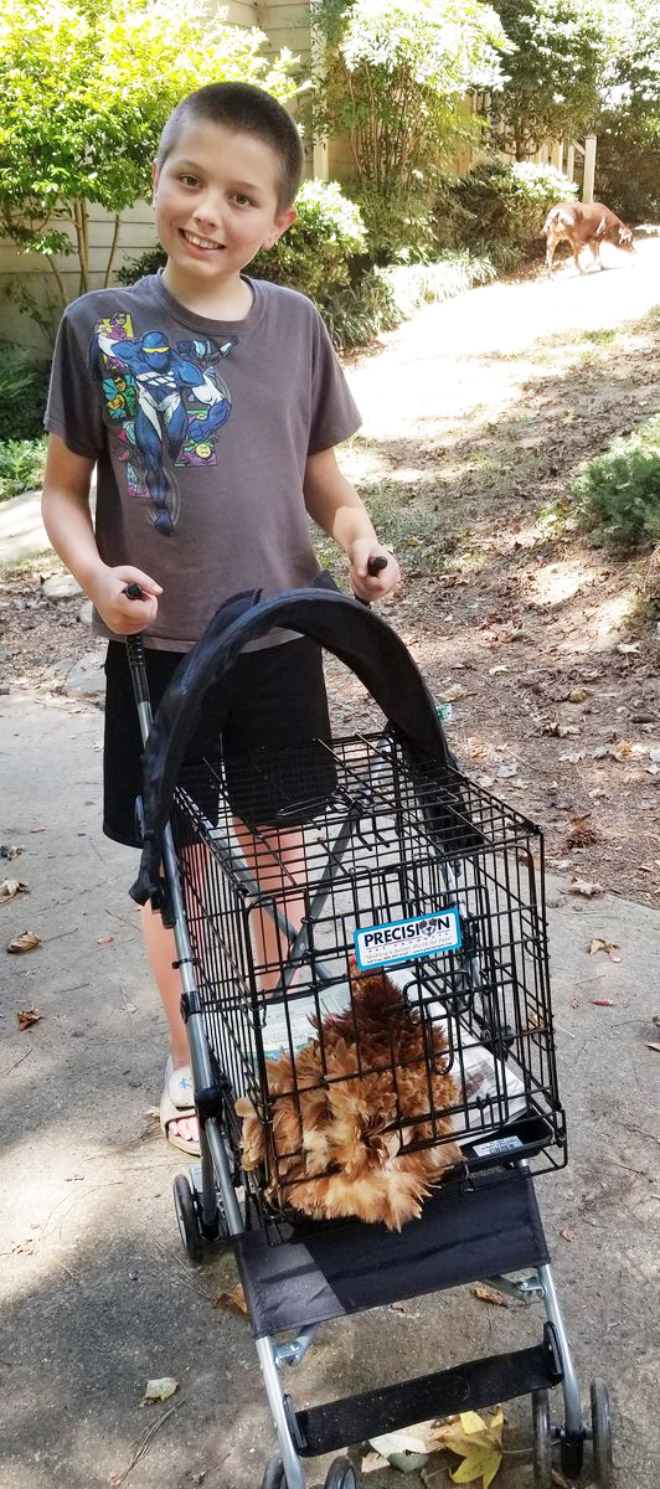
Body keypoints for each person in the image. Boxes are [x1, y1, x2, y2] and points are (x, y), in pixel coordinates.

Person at [41, 81, 400, 1155]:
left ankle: (279, 1035)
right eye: (189, 180)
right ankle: (193, 1054)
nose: (209, 211)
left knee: (284, 856)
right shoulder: (97, 328)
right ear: (156, 178)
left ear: (278, 220)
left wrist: (359, 542)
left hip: (284, 641)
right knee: (179, 867)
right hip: (159, 658)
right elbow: (62, 492)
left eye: (241, 196)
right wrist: (99, 579)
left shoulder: (297, 327)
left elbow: (325, 479)